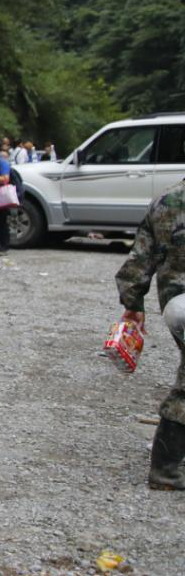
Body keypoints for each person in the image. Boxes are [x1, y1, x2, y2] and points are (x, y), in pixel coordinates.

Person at [115, 181, 185, 490]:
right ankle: (165, 470)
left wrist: (133, 303)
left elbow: (140, 258)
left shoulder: (165, 201)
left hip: (176, 304)